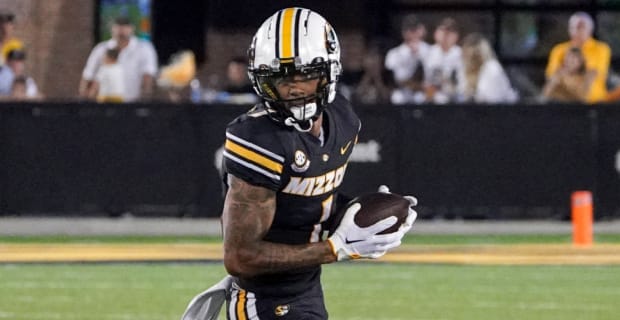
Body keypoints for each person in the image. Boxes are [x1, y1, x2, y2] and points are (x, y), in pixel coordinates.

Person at [220, 7, 417, 319]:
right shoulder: (259, 139)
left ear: (329, 73)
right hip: (264, 300)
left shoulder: (343, 119)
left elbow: (308, 202)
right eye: (282, 79)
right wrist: (335, 248)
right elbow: (240, 257)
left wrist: (356, 213)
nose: (295, 88)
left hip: (307, 289)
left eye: (306, 76)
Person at [79, 16, 158, 102]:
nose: (121, 31)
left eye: (124, 27)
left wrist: (145, 99)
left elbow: (148, 74)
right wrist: (85, 100)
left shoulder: (144, 48)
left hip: (133, 102)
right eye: (118, 28)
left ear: (131, 29)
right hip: (105, 103)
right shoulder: (101, 49)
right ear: (112, 29)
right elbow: (88, 75)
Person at [545, 12, 610, 104]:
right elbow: (552, 74)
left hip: (594, 102)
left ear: (590, 29)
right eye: (573, 27)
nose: (577, 30)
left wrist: (568, 73)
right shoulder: (559, 50)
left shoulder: (601, 49)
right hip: (565, 103)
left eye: (581, 27)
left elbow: (597, 73)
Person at [458, 33, 518, 104]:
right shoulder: (464, 68)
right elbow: (461, 93)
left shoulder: (492, 68)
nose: (468, 60)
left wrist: (472, 95)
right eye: (465, 55)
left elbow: (491, 99)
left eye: (473, 56)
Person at [384, 13, 429, 104]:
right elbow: (391, 79)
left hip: (424, 92)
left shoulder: (431, 51)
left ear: (422, 30)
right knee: (397, 97)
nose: (412, 33)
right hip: (402, 92)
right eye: (409, 29)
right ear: (403, 32)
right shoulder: (394, 53)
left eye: (415, 29)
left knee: (423, 97)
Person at [424, 17, 462, 104]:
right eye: (443, 31)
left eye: (450, 32)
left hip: (455, 95)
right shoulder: (427, 52)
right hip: (431, 94)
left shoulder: (462, 54)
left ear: (456, 36)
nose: (445, 35)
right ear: (436, 34)